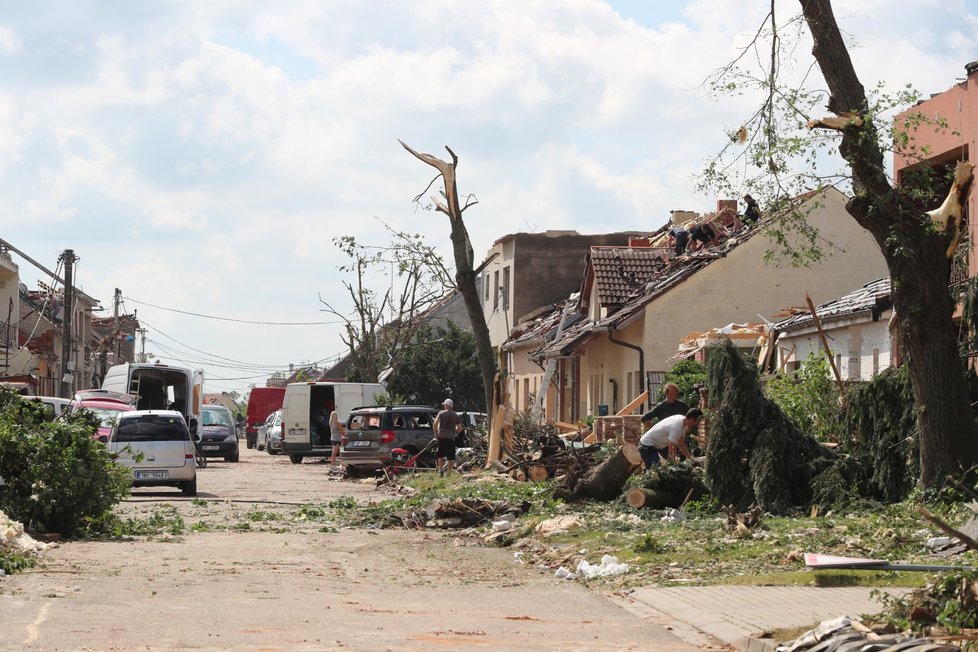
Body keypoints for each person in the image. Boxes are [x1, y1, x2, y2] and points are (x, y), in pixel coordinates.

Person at [638, 408, 702, 469]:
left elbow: (681, 442)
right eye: (698, 421)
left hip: (653, 446)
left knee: (657, 470)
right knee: (654, 470)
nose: (698, 424)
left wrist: (690, 458)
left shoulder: (681, 420)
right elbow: (671, 446)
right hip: (646, 445)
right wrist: (672, 464)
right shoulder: (677, 426)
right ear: (693, 419)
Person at [432, 398, 462, 476]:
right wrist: (454, 431)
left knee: (440, 455)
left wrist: (436, 433)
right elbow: (460, 428)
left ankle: (441, 471)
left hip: (441, 437)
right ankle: (448, 473)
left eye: (444, 405)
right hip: (450, 438)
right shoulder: (455, 415)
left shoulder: (441, 413)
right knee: (450, 457)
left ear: (446, 405)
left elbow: (435, 423)